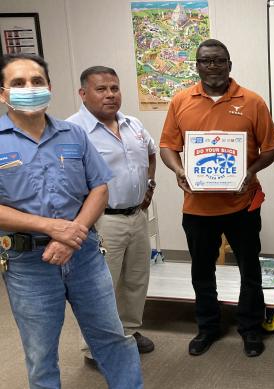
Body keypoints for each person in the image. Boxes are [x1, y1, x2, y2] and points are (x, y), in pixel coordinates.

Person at [0, 54, 142, 388]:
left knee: (113, 339)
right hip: (28, 263)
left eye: (36, 81)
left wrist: (68, 236)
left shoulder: (73, 134)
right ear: (2, 93)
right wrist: (51, 228)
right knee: (41, 353)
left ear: (49, 87)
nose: (29, 88)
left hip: (85, 255)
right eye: (18, 83)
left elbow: (100, 188)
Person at [159, 39, 274, 358]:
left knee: (249, 269)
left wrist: (251, 172)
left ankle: (251, 328)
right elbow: (167, 147)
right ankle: (207, 328)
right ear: (196, 66)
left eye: (219, 61)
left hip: (242, 205)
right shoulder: (180, 101)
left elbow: (269, 150)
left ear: (229, 64)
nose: (213, 66)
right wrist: (179, 170)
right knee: (201, 271)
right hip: (197, 208)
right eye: (206, 61)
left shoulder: (252, 102)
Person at [67, 66, 157, 359]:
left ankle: (128, 332)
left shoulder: (133, 125)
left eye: (114, 88)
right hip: (102, 221)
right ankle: (97, 347)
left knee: (135, 280)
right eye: (101, 89)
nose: (110, 95)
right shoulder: (71, 131)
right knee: (100, 286)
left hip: (136, 216)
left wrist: (150, 185)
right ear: (83, 94)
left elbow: (151, 154)